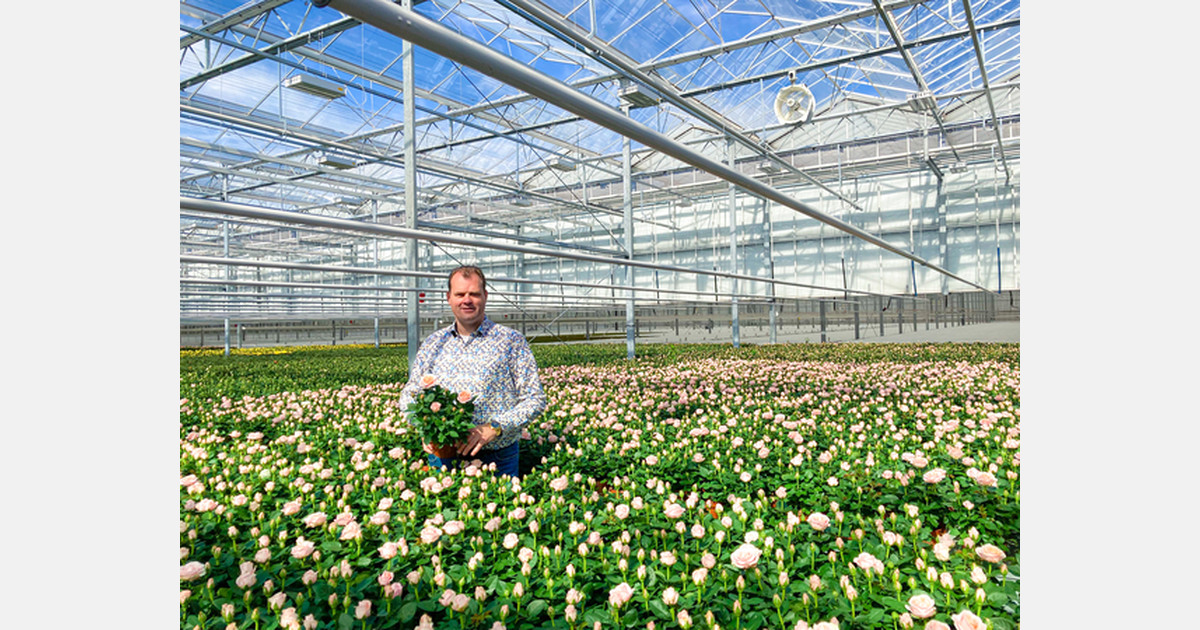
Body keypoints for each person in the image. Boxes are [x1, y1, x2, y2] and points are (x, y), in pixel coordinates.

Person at [397, 265, 546, 477]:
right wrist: (424, 426)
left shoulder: (511, 341)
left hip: (496, 458)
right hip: (443, 455)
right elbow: (410, 393)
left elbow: (535, 399)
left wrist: (493, 428)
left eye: (474, 294)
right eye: (460, 294)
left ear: (485, 296)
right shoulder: (433, 343)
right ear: (449, 297)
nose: (467, 300)